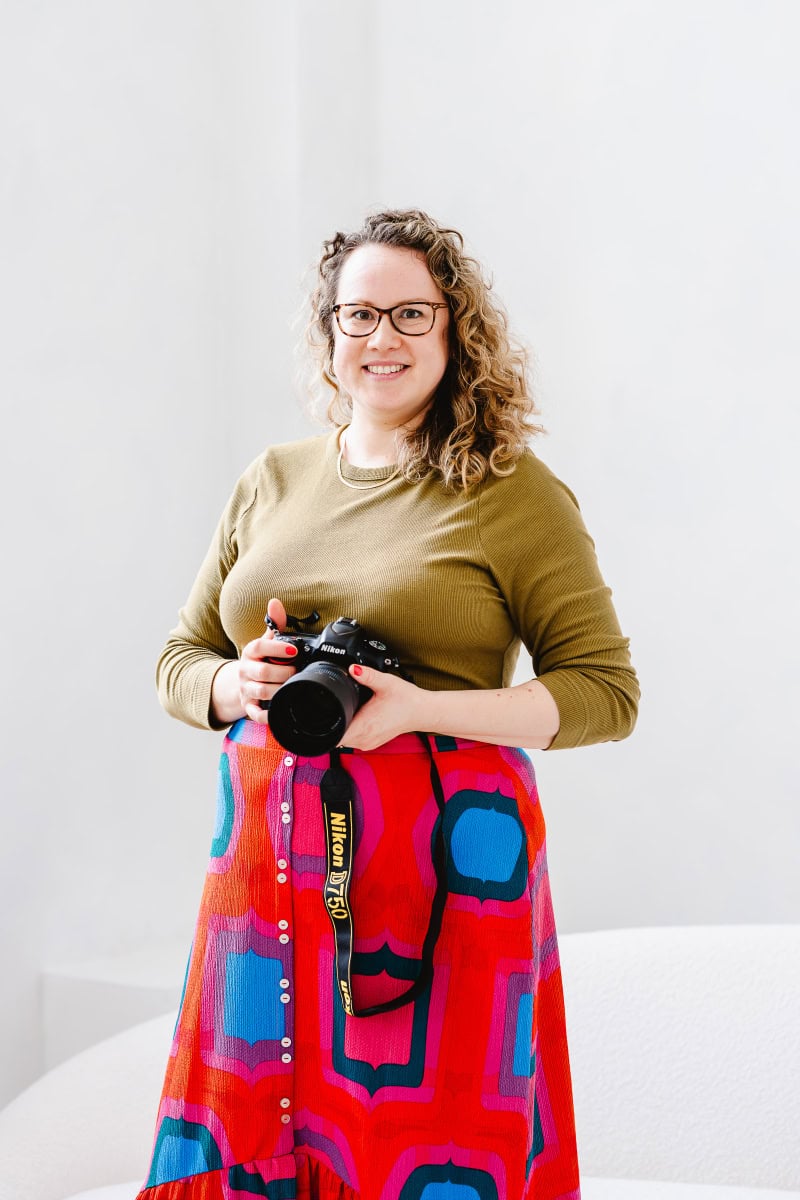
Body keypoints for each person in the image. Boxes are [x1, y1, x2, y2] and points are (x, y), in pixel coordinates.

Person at [136, 209, 638, 1200]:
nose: (382, 338)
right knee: (258, 1126)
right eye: (357, 314)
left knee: (428, 1138)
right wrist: (239, 683)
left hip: (443, 876)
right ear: (327, 333)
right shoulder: (271, 479)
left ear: (456, 333)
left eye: (411, 314)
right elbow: (178, 660)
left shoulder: (509, 492)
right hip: (266, 873)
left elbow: (602, 693)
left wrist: (417, 708)